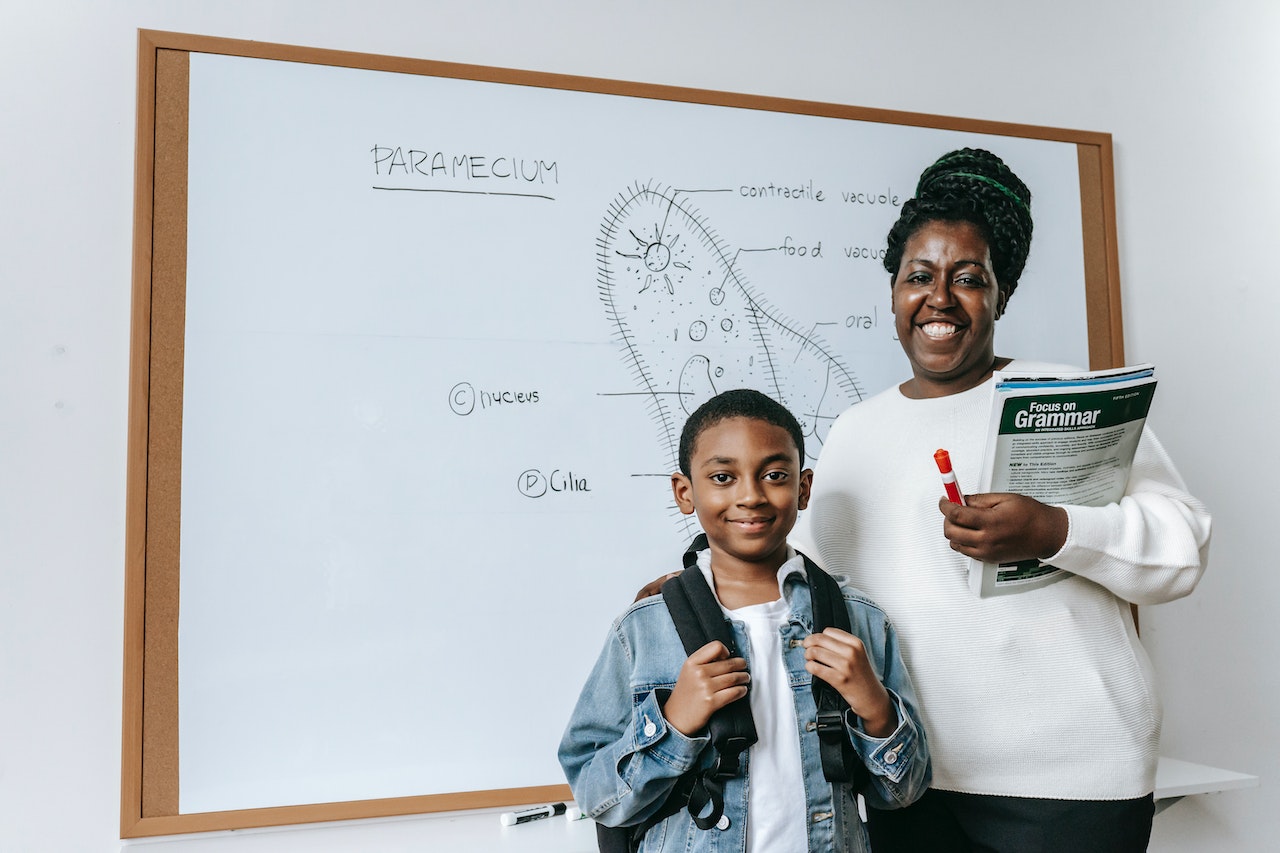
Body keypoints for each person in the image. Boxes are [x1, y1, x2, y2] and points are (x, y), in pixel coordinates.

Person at [788, 148, 1212, 852]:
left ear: (1002, 295)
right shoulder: (858, 431)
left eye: (969, 279)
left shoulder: (1069, 396)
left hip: (1073, 782)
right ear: (893, 292)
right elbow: (802, 575)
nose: (939, 298)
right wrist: (697, 586)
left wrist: (1051, 529)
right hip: (911, 772)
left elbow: (1183, 548)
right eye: (918, 276)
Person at [559, 388, 930, 853]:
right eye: (723, 477)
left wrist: (875, 706)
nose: (751, 495)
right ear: (685, 492)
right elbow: (596, 796)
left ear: (804, 487)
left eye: (774, 474)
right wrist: (673, 722)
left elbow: (905, 792)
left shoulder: (860, 621)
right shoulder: (643, 630)